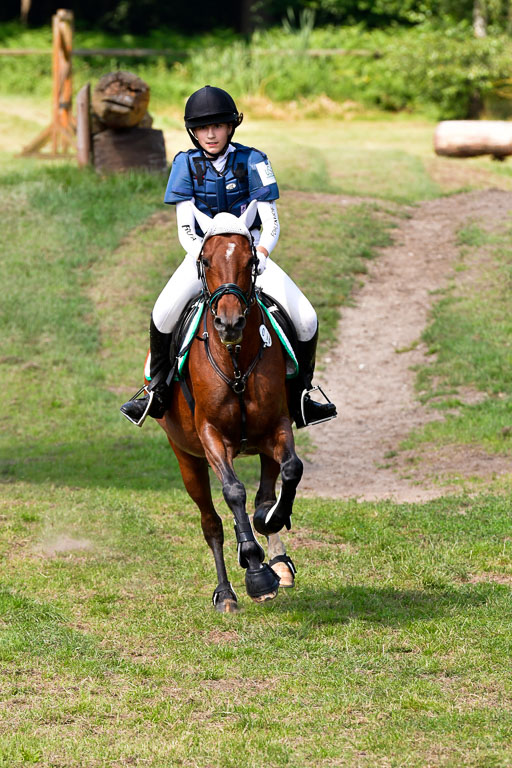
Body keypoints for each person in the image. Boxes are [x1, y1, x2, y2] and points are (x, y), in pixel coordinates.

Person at [121, 85, 336, 429]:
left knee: (307, 318)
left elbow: (271, 222)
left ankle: (301, 397)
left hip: (250, 257)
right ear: (193, 131)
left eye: (218, 126)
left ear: (231, 127)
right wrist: (205, 260)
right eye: (203, 128)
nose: (210, 134)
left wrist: (261, 253)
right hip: (203, 259)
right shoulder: (184, 164)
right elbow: (185, 229)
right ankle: (156, 391)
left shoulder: (254, 160)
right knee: (162, 313)